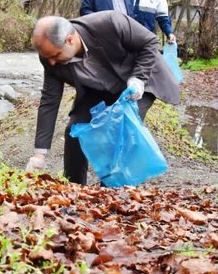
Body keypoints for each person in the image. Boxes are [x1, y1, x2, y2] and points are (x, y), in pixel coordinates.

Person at [25, 11, 181, 185]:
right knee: (75, 131)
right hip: (98, 87)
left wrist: (138, 78)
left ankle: (110, 192)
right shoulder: (49, 56)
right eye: (48, 58)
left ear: (70, 40)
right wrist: (39, 154)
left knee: (123, 129)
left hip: (137, 80)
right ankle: (75, 188)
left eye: (55, 56)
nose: (51, 63)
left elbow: (150, 41)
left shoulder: (109, 23)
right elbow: (49, 101)